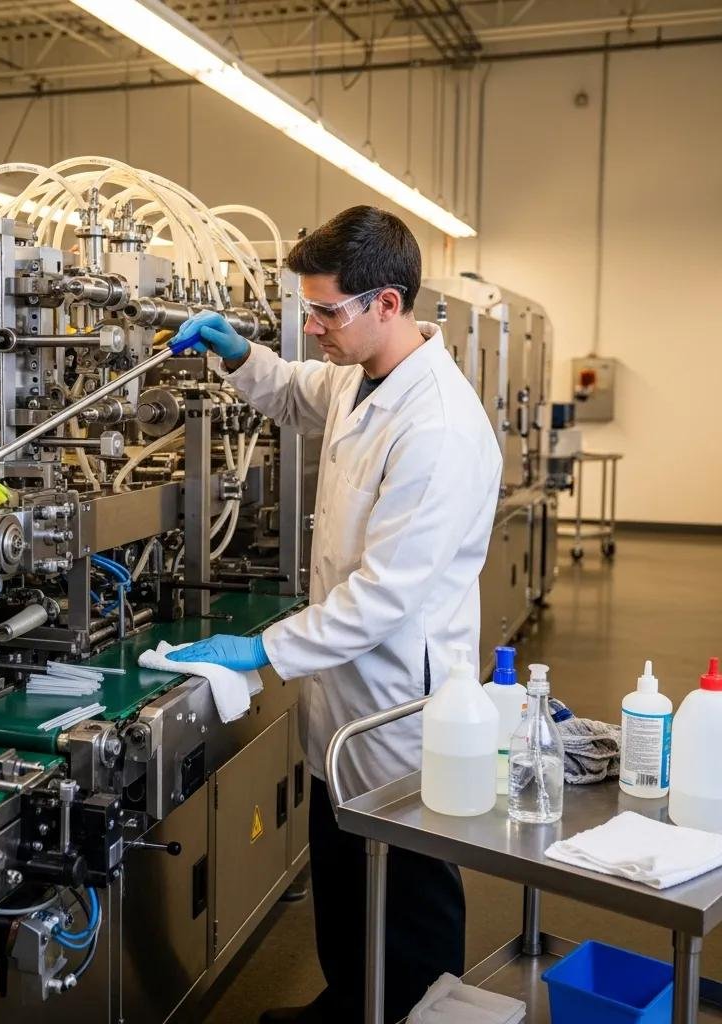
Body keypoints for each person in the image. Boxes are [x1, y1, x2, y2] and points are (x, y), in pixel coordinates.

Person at [166, 206, 503, 1023]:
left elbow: (384, 600)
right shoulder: (363, 375)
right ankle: (351, 1002)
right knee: (346, 871)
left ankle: (414, 1010)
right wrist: (239, 352)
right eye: (307, 309)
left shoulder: (440, 429)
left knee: (410, 891)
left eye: (326, 312)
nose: (312, 327)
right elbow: (295, 391)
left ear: (388, 304)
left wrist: (261, 652)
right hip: (347, 698)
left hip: (397, 708)